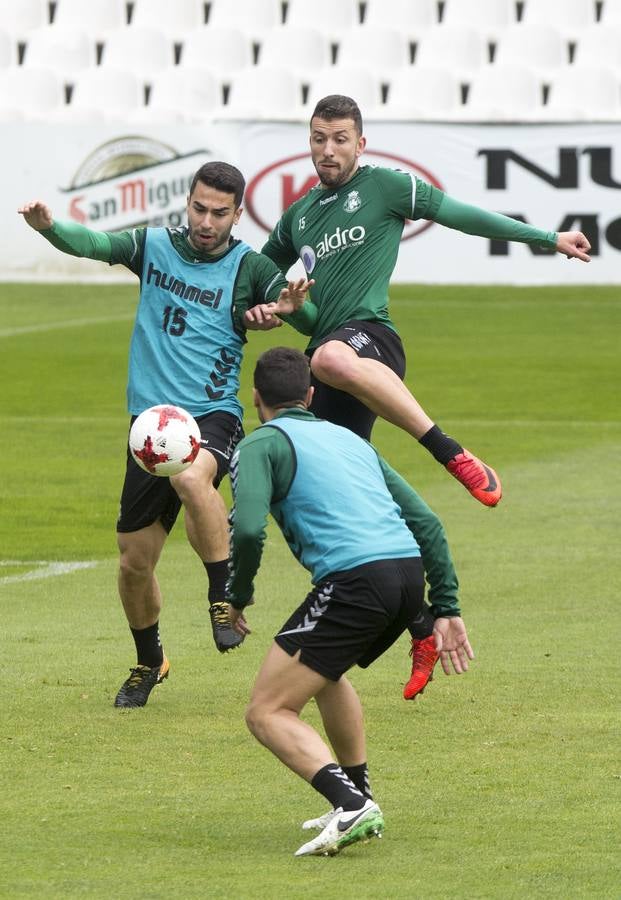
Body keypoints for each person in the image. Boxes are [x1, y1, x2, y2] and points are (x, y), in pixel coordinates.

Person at [248, 93, 592, 697]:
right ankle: (427, 620)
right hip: (329, 368)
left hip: (369, 345)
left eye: (339, 138)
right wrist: (272, 307)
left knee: (330, 354)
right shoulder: (298, 216)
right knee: (346, 494)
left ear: (361, 142)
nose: (327, 149)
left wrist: (546, 237)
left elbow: (464, 215)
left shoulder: (385, 186)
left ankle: (449, 450)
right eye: (318, 137)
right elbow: (264, 278)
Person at [18, 162, 310, 709]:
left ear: (237, 214)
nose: (205, 220)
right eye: (198, 208)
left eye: (218, 212)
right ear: (188, 204)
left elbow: (300, 311)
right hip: (151, 429)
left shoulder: (250, 267)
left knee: (195, 479)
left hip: (211, 415)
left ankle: (222, 597)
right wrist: (50, 228)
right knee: (133, 563)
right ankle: (150, 661)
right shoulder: (153, 245)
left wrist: (289, 310)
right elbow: (96, 241)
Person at [226, 347, 474, 857]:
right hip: (406, 576)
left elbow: (247, 528)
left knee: (267, 712)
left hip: (356, 581)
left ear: (255, 399)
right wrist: (444, 604)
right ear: (311, 395)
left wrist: (237, 596)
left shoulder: (259, 445)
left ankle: (349, 804)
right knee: (325, 674)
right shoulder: (347, 438)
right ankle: (359, 794)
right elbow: (426, 522)